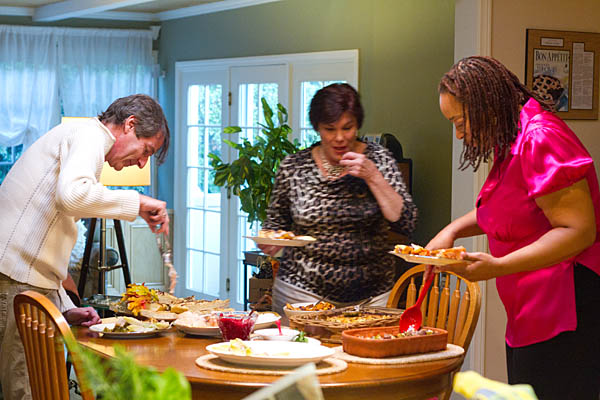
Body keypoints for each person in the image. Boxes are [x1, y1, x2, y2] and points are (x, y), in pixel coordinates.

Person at [428, 56, 600, 400]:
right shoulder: (511, 137)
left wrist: (498, 267)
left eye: (460, 122)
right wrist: (452, 230)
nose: (459, 134)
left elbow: (579, 230)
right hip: (528, 308)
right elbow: (508, 209)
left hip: (565, 307)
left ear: (486, 106)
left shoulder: (540, 137)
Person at [0, 93, 171, 400]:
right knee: (25, 390)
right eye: (146, 150)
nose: (142, 162)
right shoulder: (89, 135)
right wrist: (138, 201)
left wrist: (66, 307)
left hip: (20, 280)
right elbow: (73, 196)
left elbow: (41, 245)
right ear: (130, 125)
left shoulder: (81, 138)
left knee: (35, 387)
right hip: (14, 281)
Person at [258, 83, 417, 321]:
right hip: (302, 295)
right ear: (318, 128)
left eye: (348, 128)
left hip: (371, 299)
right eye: (330, 129)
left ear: (358, 125)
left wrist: (372, 176)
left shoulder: (379, 160)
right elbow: (275, 224)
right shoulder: (294, 166)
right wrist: (270, 240)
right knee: (302, 357)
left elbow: (405, 222)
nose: (340, 138)